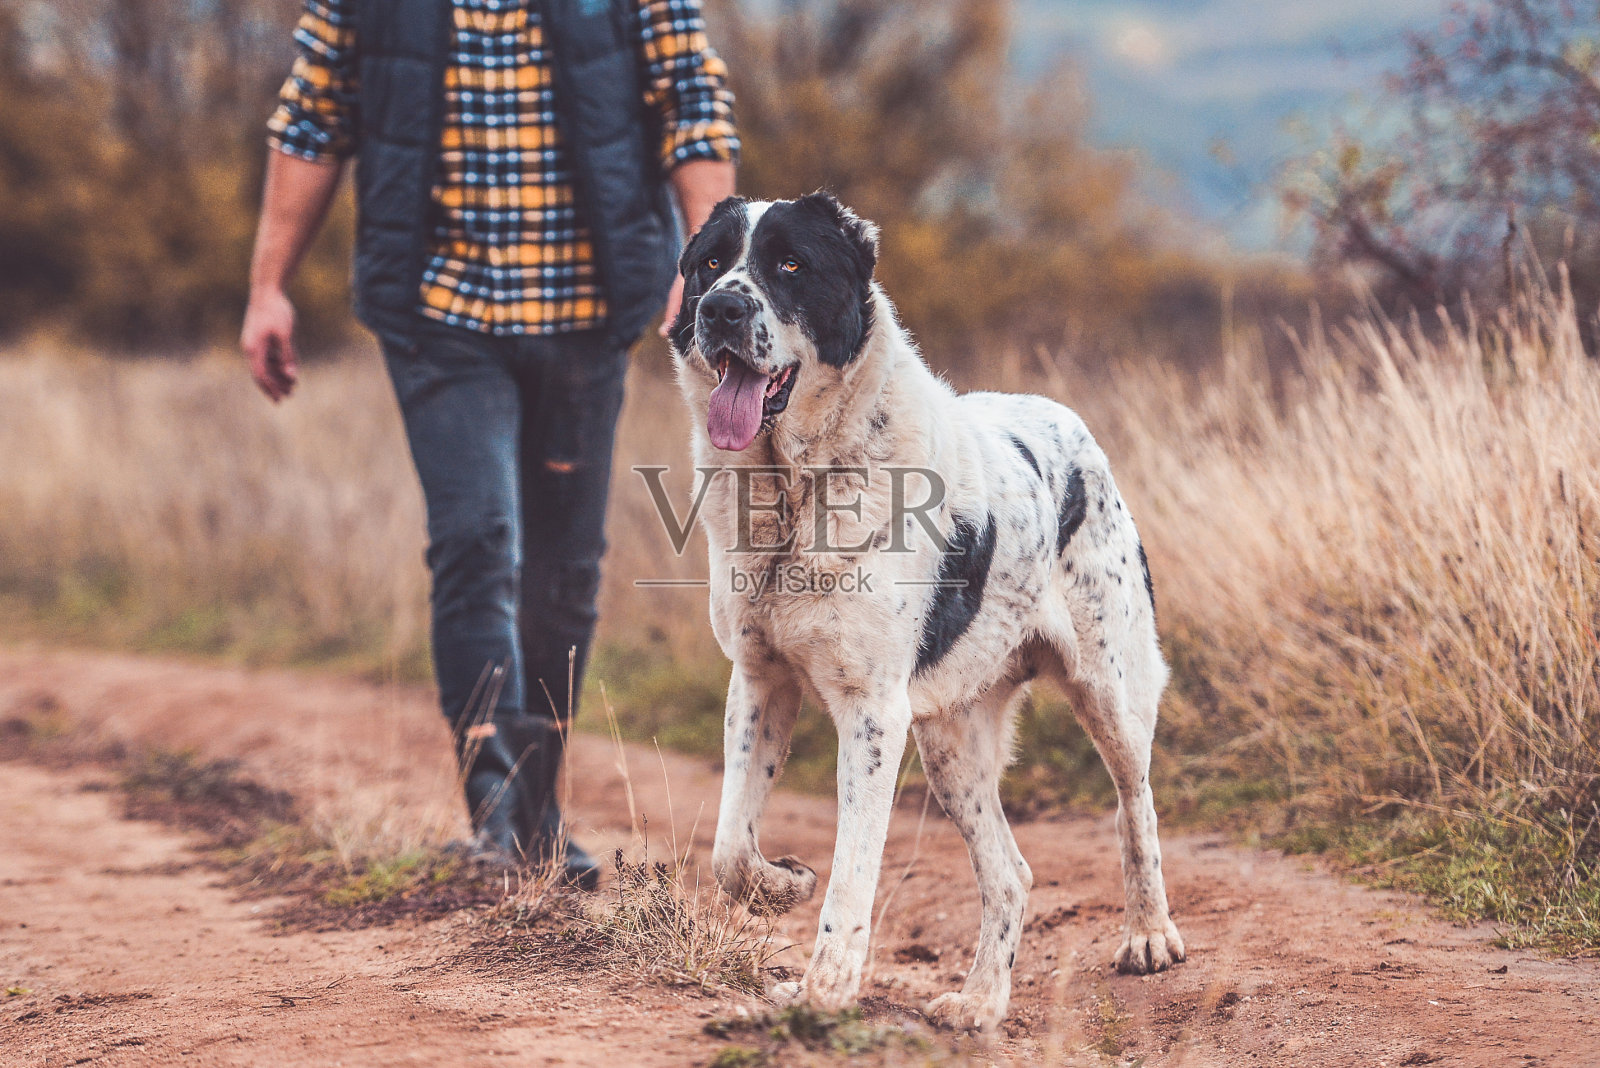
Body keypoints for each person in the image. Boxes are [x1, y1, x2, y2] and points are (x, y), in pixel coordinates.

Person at [240, 0, 738, 887]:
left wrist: (709, 266)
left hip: (589, 313)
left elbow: (692, 106)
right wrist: (269, 287)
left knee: (565, 568)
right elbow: (312, 120)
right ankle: (497, 819)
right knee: (475, 538)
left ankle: (538, 818)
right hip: (438, 316)